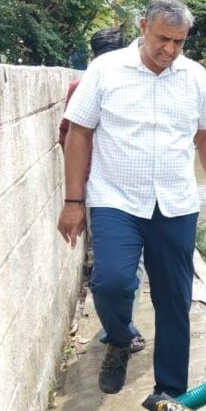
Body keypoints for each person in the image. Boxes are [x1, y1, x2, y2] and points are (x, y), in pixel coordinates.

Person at [57, 0, 206, 397]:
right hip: (116, 200)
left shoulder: (194, 76)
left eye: (179, 42)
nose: (169, 50)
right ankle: (119, 338)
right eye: (162, 39)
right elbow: (78, 132)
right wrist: (72, 201)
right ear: (142, 27)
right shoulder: (105, 70)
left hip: (175, 204)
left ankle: (169, 393)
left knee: (174, 301)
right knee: (111, 282)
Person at [58, 28, 147, 355]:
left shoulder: (78, 86)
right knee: (127, 266)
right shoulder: (104, 84)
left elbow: (64, 138)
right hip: (113, 191)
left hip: (97, 192)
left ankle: (122, 328)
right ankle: (124, 329)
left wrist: (75, 196)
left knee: (114, 266)